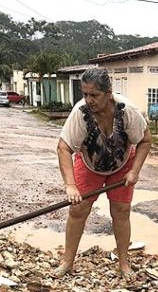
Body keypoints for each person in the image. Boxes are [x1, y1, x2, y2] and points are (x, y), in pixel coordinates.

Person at [56, 67, 152, 277]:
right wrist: (70, 185)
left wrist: (135, 171)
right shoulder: (80, 113)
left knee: (121, 212)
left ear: (108, 94)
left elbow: (145, 141)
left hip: (122, 164)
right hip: (89, 163)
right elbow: (64, 148)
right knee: (78, 210)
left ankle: (124, 263)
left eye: (94, 95)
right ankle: (68, 261)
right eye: (85, 94)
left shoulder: (127, 111)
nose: (89, 100)